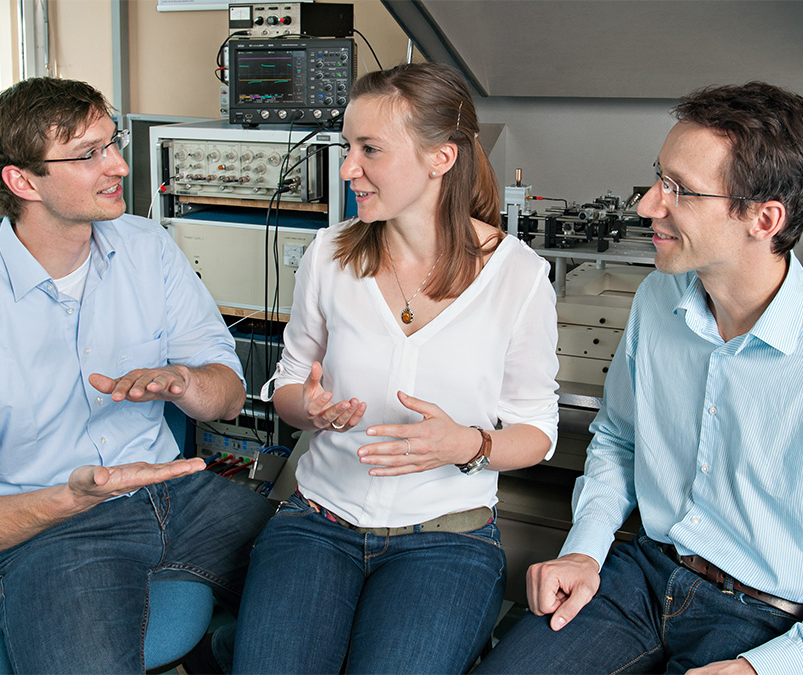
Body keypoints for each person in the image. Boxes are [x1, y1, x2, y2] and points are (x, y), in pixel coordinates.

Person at [476, 82, 803, 674]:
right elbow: (620, 439)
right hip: (645, 576)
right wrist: (583, 552)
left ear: (764, 218)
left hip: (771, 621)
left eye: (678, 190)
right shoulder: (659, 298)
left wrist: (771, 667)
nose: (648, 205)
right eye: (659, 177)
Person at [231, 62, 560, 673]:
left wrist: (465, 443)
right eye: (347, 147)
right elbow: (289, 386)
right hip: (318, 523)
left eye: (369, 150)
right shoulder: (330, 255)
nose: (347, 168)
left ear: (441, 158)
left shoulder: (518, 277)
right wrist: (312, 407)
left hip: (446, 541)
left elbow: (538, 433)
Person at [0, 77, 274, 673]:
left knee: (328, 574)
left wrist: (183, 380)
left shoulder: (147, 246)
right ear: (22, 181)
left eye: (112, 142)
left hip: (178, 495)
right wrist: (67, 498)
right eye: (89, 154)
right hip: (50, 526)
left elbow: (228, 398)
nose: (120, 165)